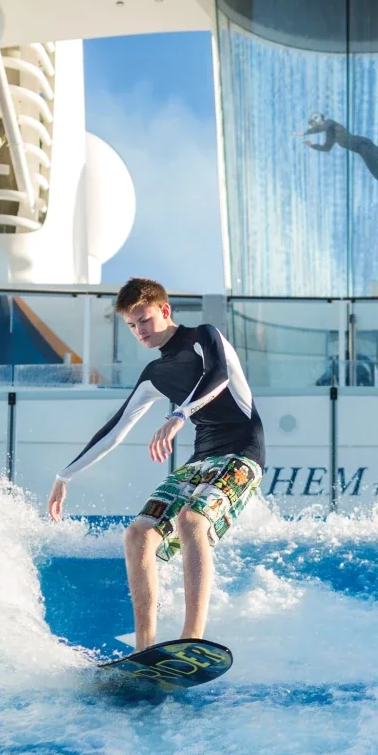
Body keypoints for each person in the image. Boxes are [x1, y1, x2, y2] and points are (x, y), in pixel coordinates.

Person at [46, 279, 265, 652]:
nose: (140, 331)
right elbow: (116, 428)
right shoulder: (154, 374)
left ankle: (191, 639)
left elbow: (218, 376)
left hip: (242, 453)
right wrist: (64, 476)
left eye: (144, 320)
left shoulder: (203, 336)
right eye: (132, 326)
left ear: (164, 310)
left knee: (191, 521)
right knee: (139, 534)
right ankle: (144, 650)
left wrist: (179, 415)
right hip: (201, 458)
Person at [301, 113, 378, 181]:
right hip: (365, 143)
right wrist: (312, 145)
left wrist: (306, 133)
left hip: (363, 148)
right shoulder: (331, 134)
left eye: (313, 123)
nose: (313, 126)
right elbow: (326, 148)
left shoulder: (329, 123)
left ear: (317, 119)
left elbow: (322, 127)